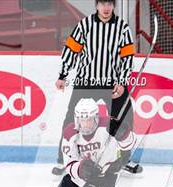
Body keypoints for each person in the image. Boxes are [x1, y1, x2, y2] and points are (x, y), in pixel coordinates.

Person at [53, 0, 142, 176]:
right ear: (96, 5)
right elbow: (71, 50)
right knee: (71, 119)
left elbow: (127, 58)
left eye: (109, 4)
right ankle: (64, 159)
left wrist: (122, 81)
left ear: (114, 6)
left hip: (112, 84)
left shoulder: (122, 28)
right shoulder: (84, 25)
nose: (106, 8)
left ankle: (125, 159)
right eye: (102, 3)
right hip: (86, 82)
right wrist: (63, 75)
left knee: (124, 118)